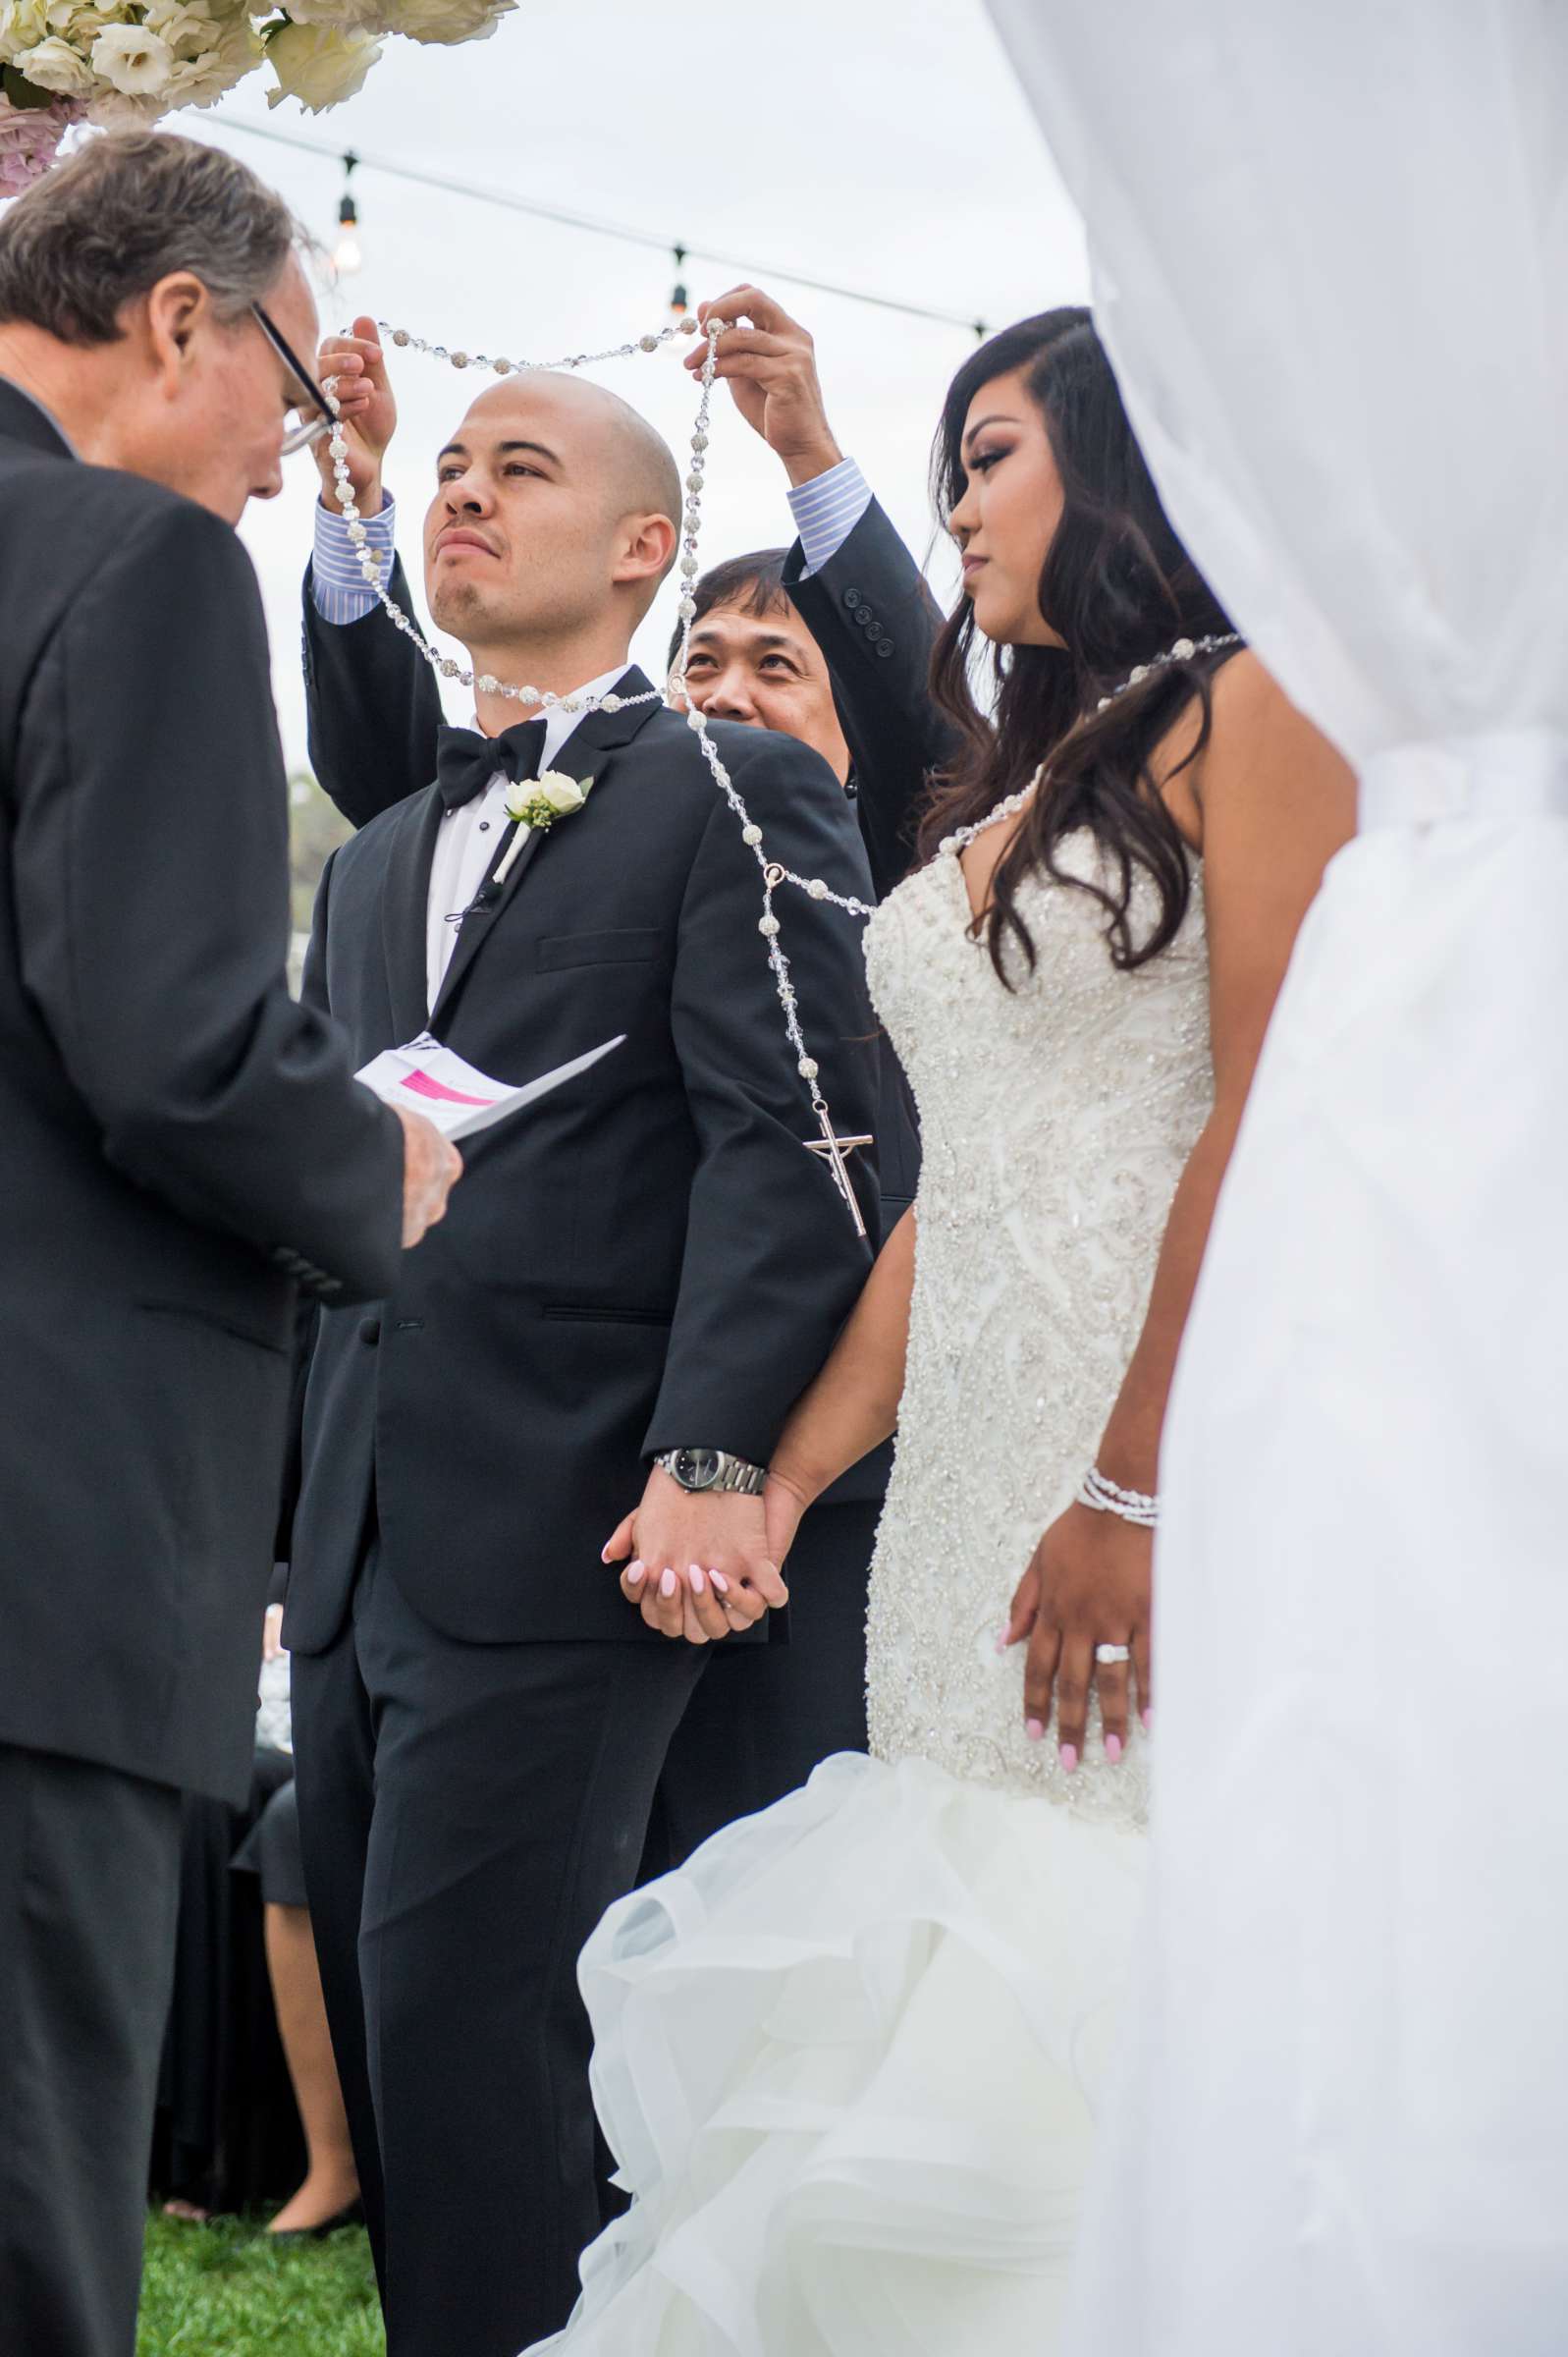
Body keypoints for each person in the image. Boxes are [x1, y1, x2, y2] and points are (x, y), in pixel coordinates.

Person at [528, 306, 1358, 2355]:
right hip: (955, 1514)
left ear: (1126, 459)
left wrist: (1128, 1489)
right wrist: (783, 1481)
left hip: (1137, 1468)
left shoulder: (1262, 707)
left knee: (1095, 1979)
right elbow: (949, 1192)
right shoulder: (1034, 763)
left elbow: (1273, 1107)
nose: (956, 503)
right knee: (943, 1965)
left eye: (988, 453)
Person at [281, 359, 883, 2357]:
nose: (462, 494)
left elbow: (797, 1137)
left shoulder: (729, 779)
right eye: (446, 468)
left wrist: (712, 1446)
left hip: (570, 1518)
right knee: (404, 2066)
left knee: (498, 2067)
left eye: (513, 470)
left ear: (643, 546)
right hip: (366, 1541)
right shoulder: (376, 857)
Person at [0, 131, 459, 2357]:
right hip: (38, 1543)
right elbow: (173, 1043)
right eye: (284, 379)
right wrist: (374, 1165)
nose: (286, 463)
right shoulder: (128, 564)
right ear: (176, 318)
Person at [301, 314, 921, 1846]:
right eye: (698, 661)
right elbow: (399, 778)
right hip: (496, 1517)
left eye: (777, 665)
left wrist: (809, 456)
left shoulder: (880, 841)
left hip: (795, 1493)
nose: (723, 695)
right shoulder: (530, 829)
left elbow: (792, 1150)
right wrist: (356, 503)